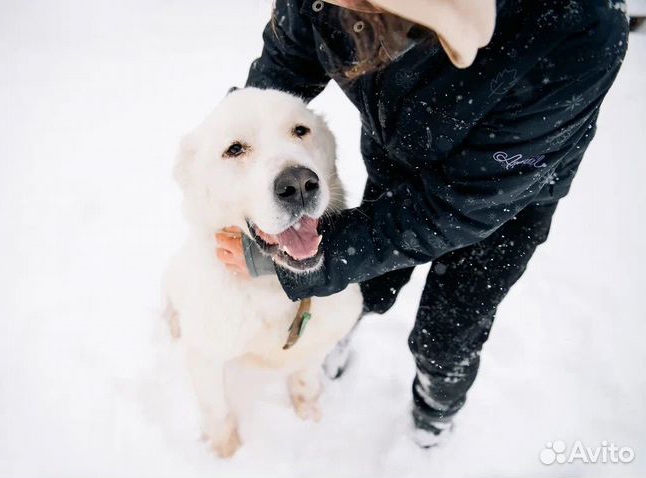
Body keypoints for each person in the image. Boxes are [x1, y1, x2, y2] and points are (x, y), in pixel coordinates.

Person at [214, 0, 628, 447]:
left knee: (445, 338)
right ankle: (332, 341)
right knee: (364, 288)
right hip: (399, 159)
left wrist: (321, 254)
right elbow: (287, 58)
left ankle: (433, 415)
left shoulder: (577, 27)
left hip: (505, 204)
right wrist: (242, 162)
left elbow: (457, 208)